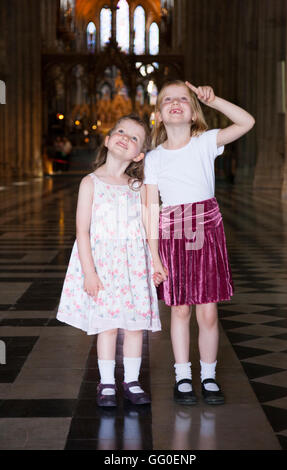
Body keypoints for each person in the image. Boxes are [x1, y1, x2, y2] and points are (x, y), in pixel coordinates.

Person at [145, 80, 255, 405]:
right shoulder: (154, 158)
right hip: (174, 233)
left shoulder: (206, 142)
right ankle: (182, 377)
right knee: (179, 310)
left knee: (207, 313)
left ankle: (208, 376)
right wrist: (154, 256)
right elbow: (150, 209)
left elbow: (246, 122)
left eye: (183, 99)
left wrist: (215, 99)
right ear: (159, 114)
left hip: (206, 230)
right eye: (168, 100)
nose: (175, 103)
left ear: (194, 112)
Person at [57, 114, 161, 407]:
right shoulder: (90, 182)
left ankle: (131, 380)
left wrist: (156, 261)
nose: (125, 138)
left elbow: (148, 225)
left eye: (134, 138)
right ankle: (106, 383)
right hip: (103, 266)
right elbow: (81, 230)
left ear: (139, 154)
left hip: (133, 266)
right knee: (108, 325)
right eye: (121, 131)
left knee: (134, 326)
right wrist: (89, 273)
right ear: (107, 138)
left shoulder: (137, 187)